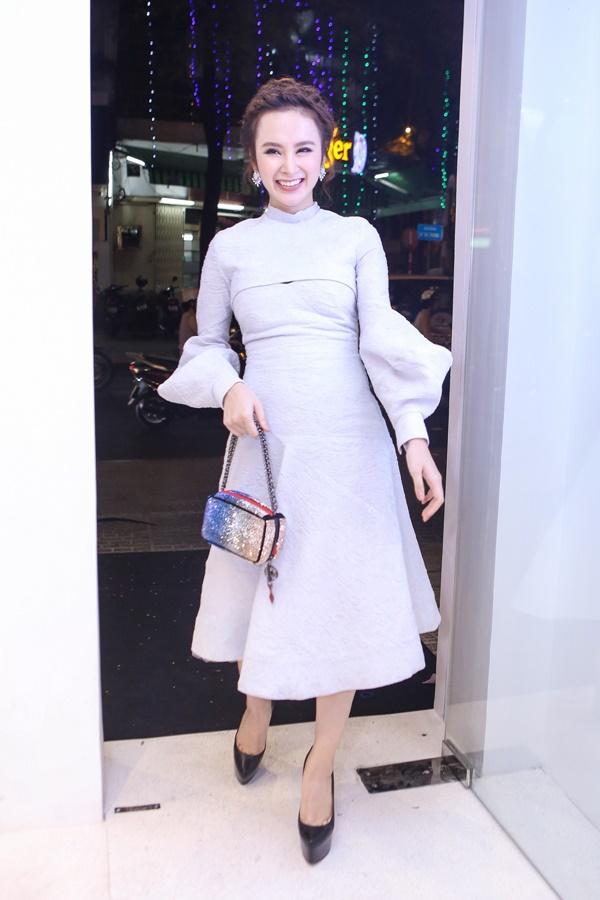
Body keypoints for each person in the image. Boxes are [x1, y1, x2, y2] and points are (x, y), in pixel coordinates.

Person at [157, 77, 453, 864]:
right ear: (254, 162)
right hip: (267, 445)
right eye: (272, 151)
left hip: (350, 448)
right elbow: (205, 345)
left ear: (325, 157)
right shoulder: (231, 248)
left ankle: (320, 764)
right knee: (262, 583)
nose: (288, 165)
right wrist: (228, 388)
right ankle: (256, 709)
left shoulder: (355, 236)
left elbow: (381, 341)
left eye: (302, 150)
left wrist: (413, 439)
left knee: (339, 604)